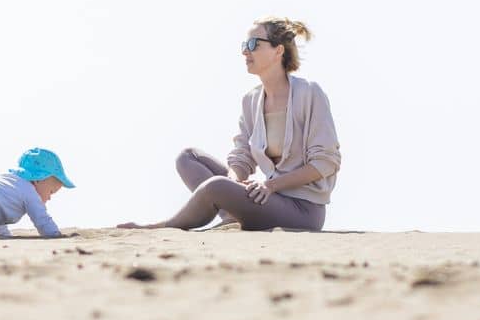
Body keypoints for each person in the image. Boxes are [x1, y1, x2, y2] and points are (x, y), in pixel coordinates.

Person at [119, 18, 341, 232]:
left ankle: (162, 227)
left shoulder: (310, 94)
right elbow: (242, 155)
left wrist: (271, 186)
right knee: (188, 158)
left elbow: (325, 163)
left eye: (254, 44)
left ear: (278, 51)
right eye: (244, 45)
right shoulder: (251, 100)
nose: (245, 51)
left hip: (301, 211)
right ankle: (232, 215)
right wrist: (236, 181)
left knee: (216, 186)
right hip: (266, 198)